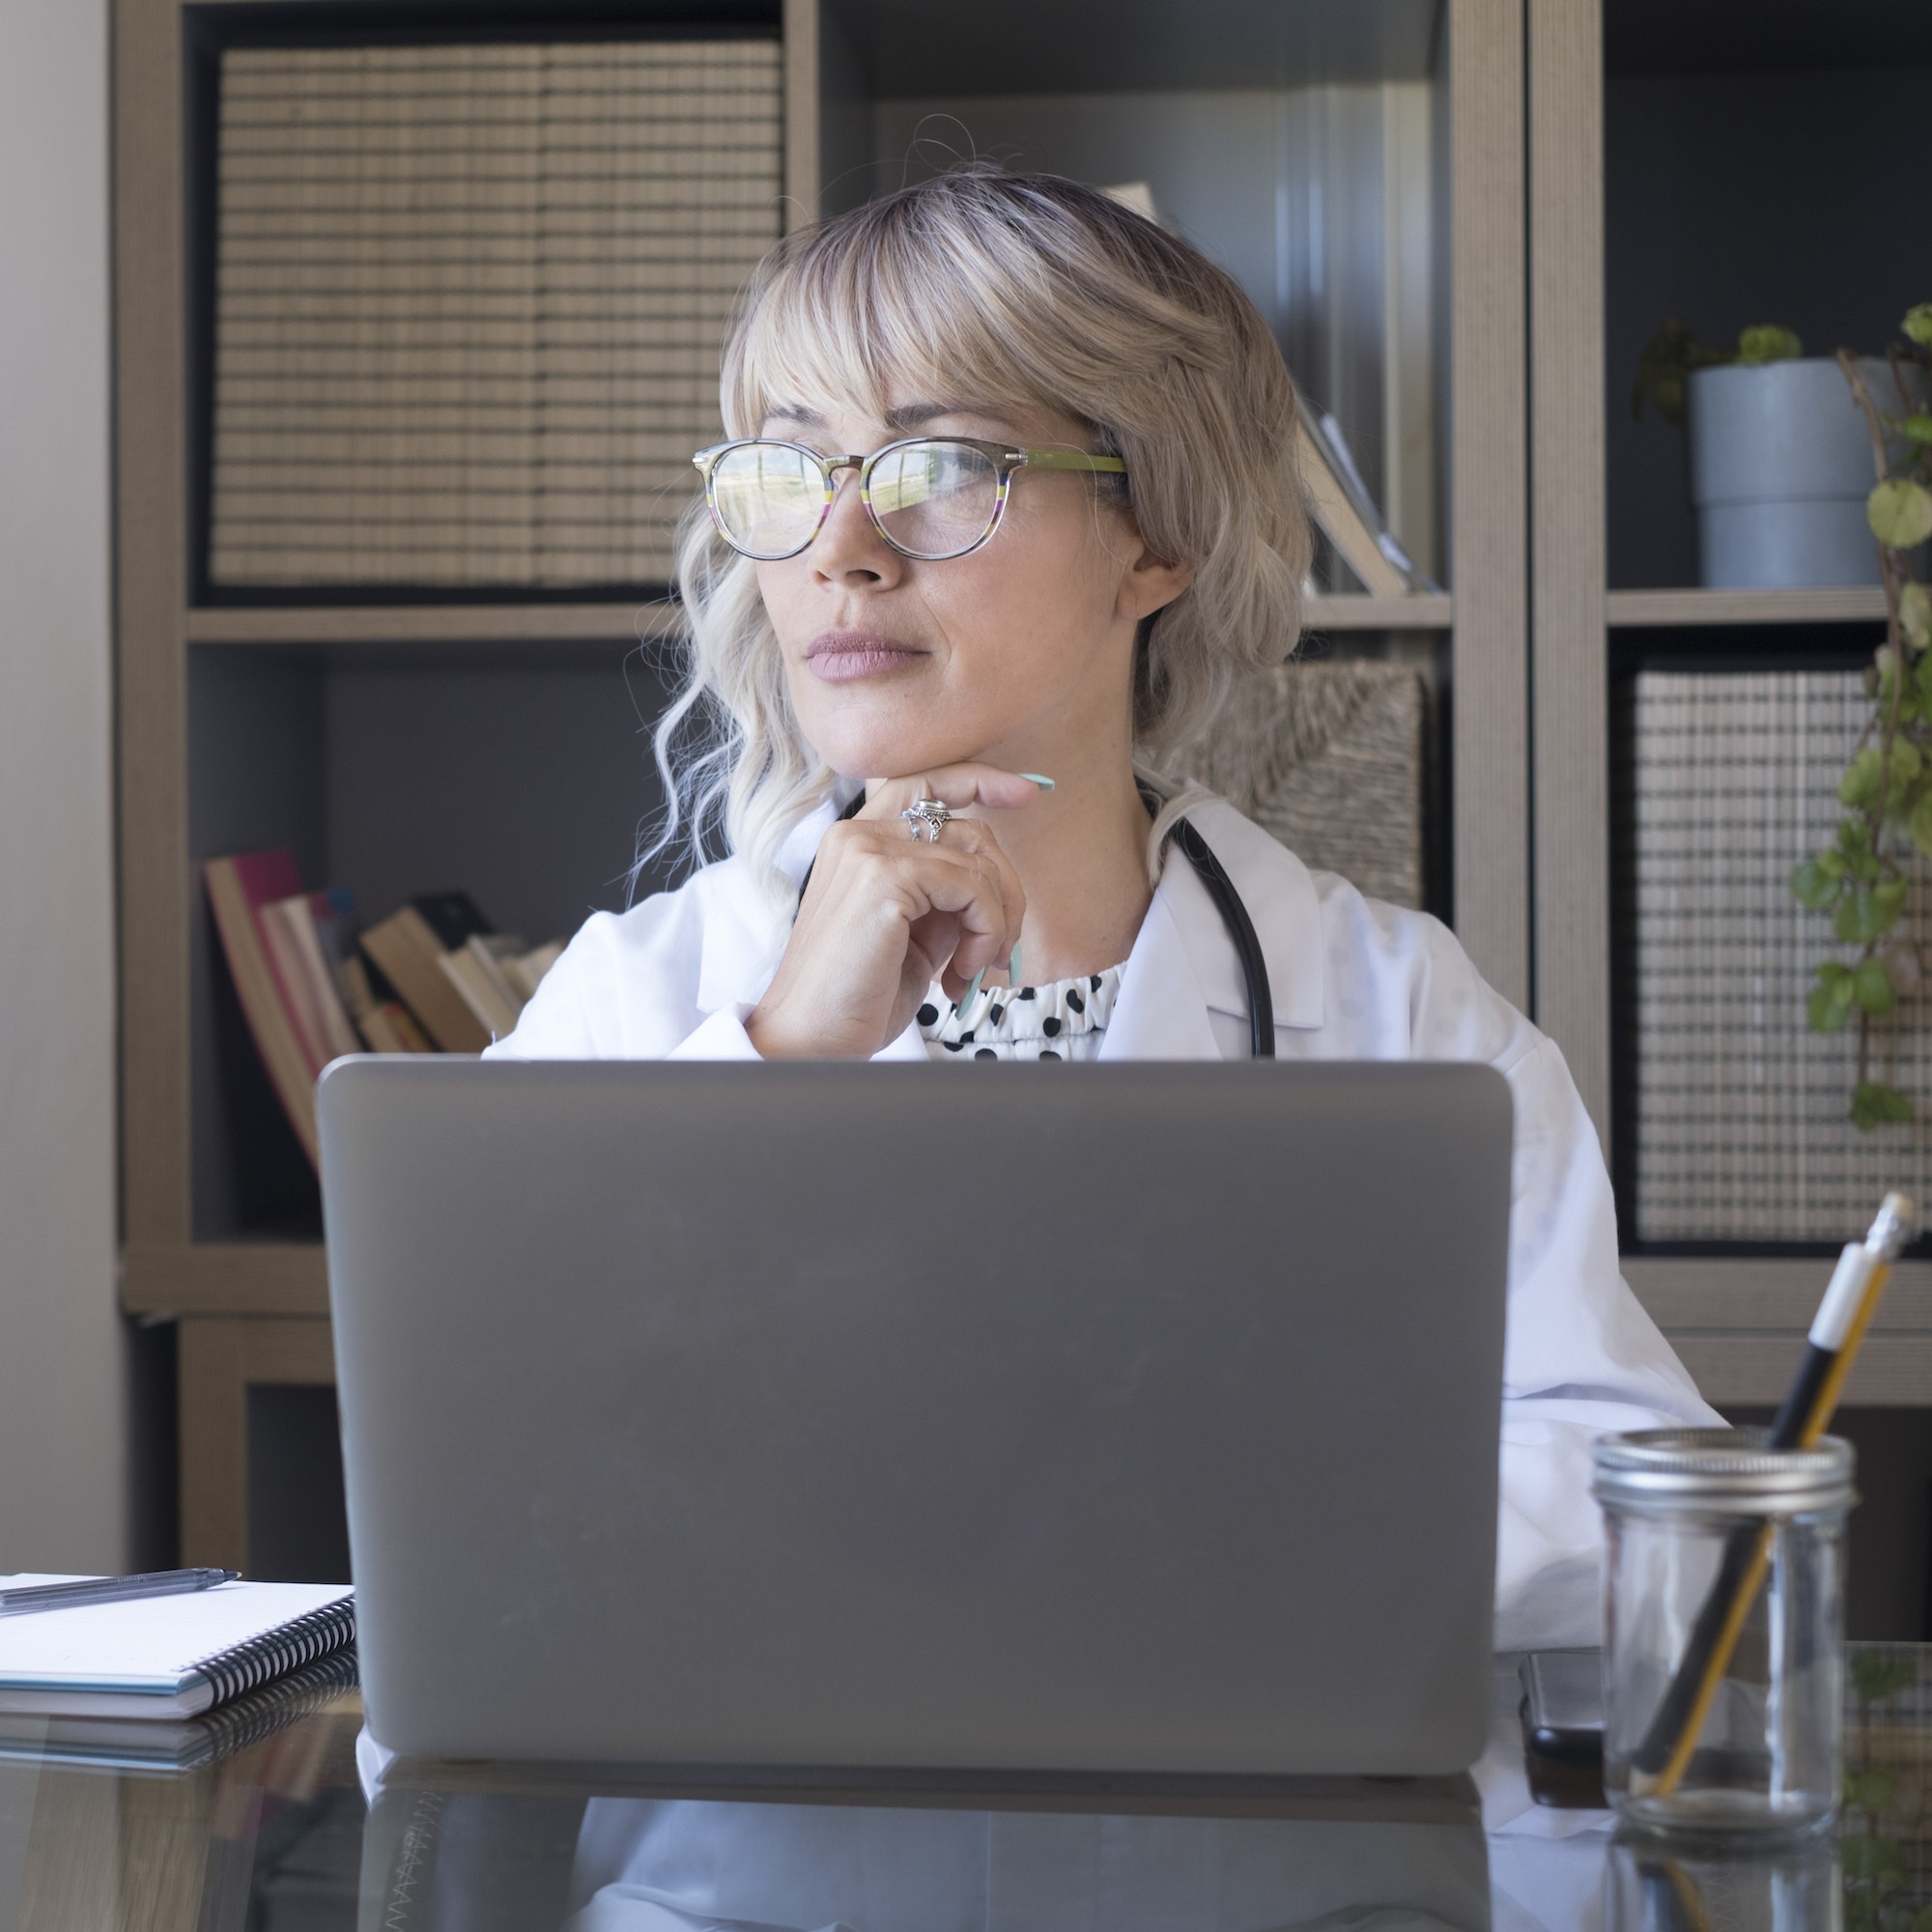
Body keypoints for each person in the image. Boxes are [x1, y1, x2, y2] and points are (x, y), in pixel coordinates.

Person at [487, 165, 1719, 1649]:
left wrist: (1160, 1543)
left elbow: (1644, 1497)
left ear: (1157, 540)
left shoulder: (1405, 1015)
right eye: (791, 467)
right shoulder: (644, 999)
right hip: (745, 1868)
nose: (839, 551)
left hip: (1258, 1862)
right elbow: (487, 1491)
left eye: (938, 467)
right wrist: (777, 1058)